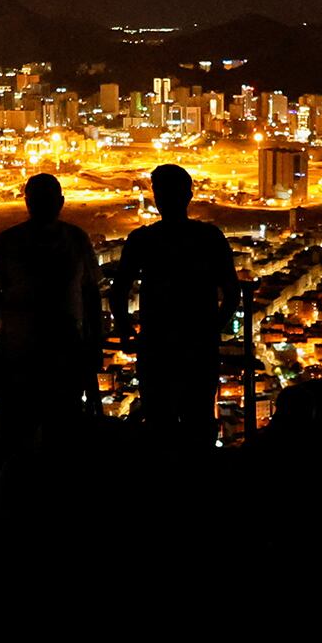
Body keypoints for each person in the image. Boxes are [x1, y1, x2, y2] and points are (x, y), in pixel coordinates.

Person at [110, 164, 240, 443]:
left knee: (160, 422)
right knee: (198, 418)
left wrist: (125, 332)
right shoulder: (209, 238)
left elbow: (118, 291)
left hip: (157, 346)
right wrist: (211, 330)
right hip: (196, 347)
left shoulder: (143, 239)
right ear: (189, 197)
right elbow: (232, 293)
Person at [0, 174, 104, 448]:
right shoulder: (72, 240)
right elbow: (91, 295)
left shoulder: (12, 241)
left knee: (39, 434)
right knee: (37, 434)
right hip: (32, 355)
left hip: (45, 354)